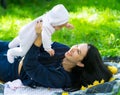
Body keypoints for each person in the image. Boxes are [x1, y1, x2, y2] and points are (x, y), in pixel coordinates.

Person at [0, 21, 112, 92]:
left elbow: (30, 66)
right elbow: (43, 43)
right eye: (77, 45)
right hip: (19, 49)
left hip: (12, 69)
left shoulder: (62, 78)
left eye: (78, 52)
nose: (73, 49)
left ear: (80, 63)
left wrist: (38, 37)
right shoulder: (64, 49)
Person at [7, 4, 73, 63]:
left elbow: (59, 21)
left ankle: (11, 44)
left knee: (21, 38)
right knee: (23, 51)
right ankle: (11, 52)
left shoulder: (49, 17)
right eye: (60, 26)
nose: (60, 28)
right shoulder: (46, 27)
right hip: (29, 38)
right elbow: (45, 38)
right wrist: (48, 49)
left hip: (26, 31)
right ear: (55, 22)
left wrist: (66, 24)